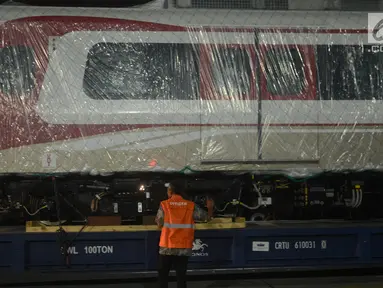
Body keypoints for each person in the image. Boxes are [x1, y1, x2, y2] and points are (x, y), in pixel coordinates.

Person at [155, 180, 212, 288]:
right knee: (181, 277)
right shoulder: (190, 205)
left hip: (167, 246)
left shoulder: (164, 204)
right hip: (183, 246)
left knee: (163, 276)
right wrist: (210, 208)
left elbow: (159, 222)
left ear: (170, 191)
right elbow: (206, 218)